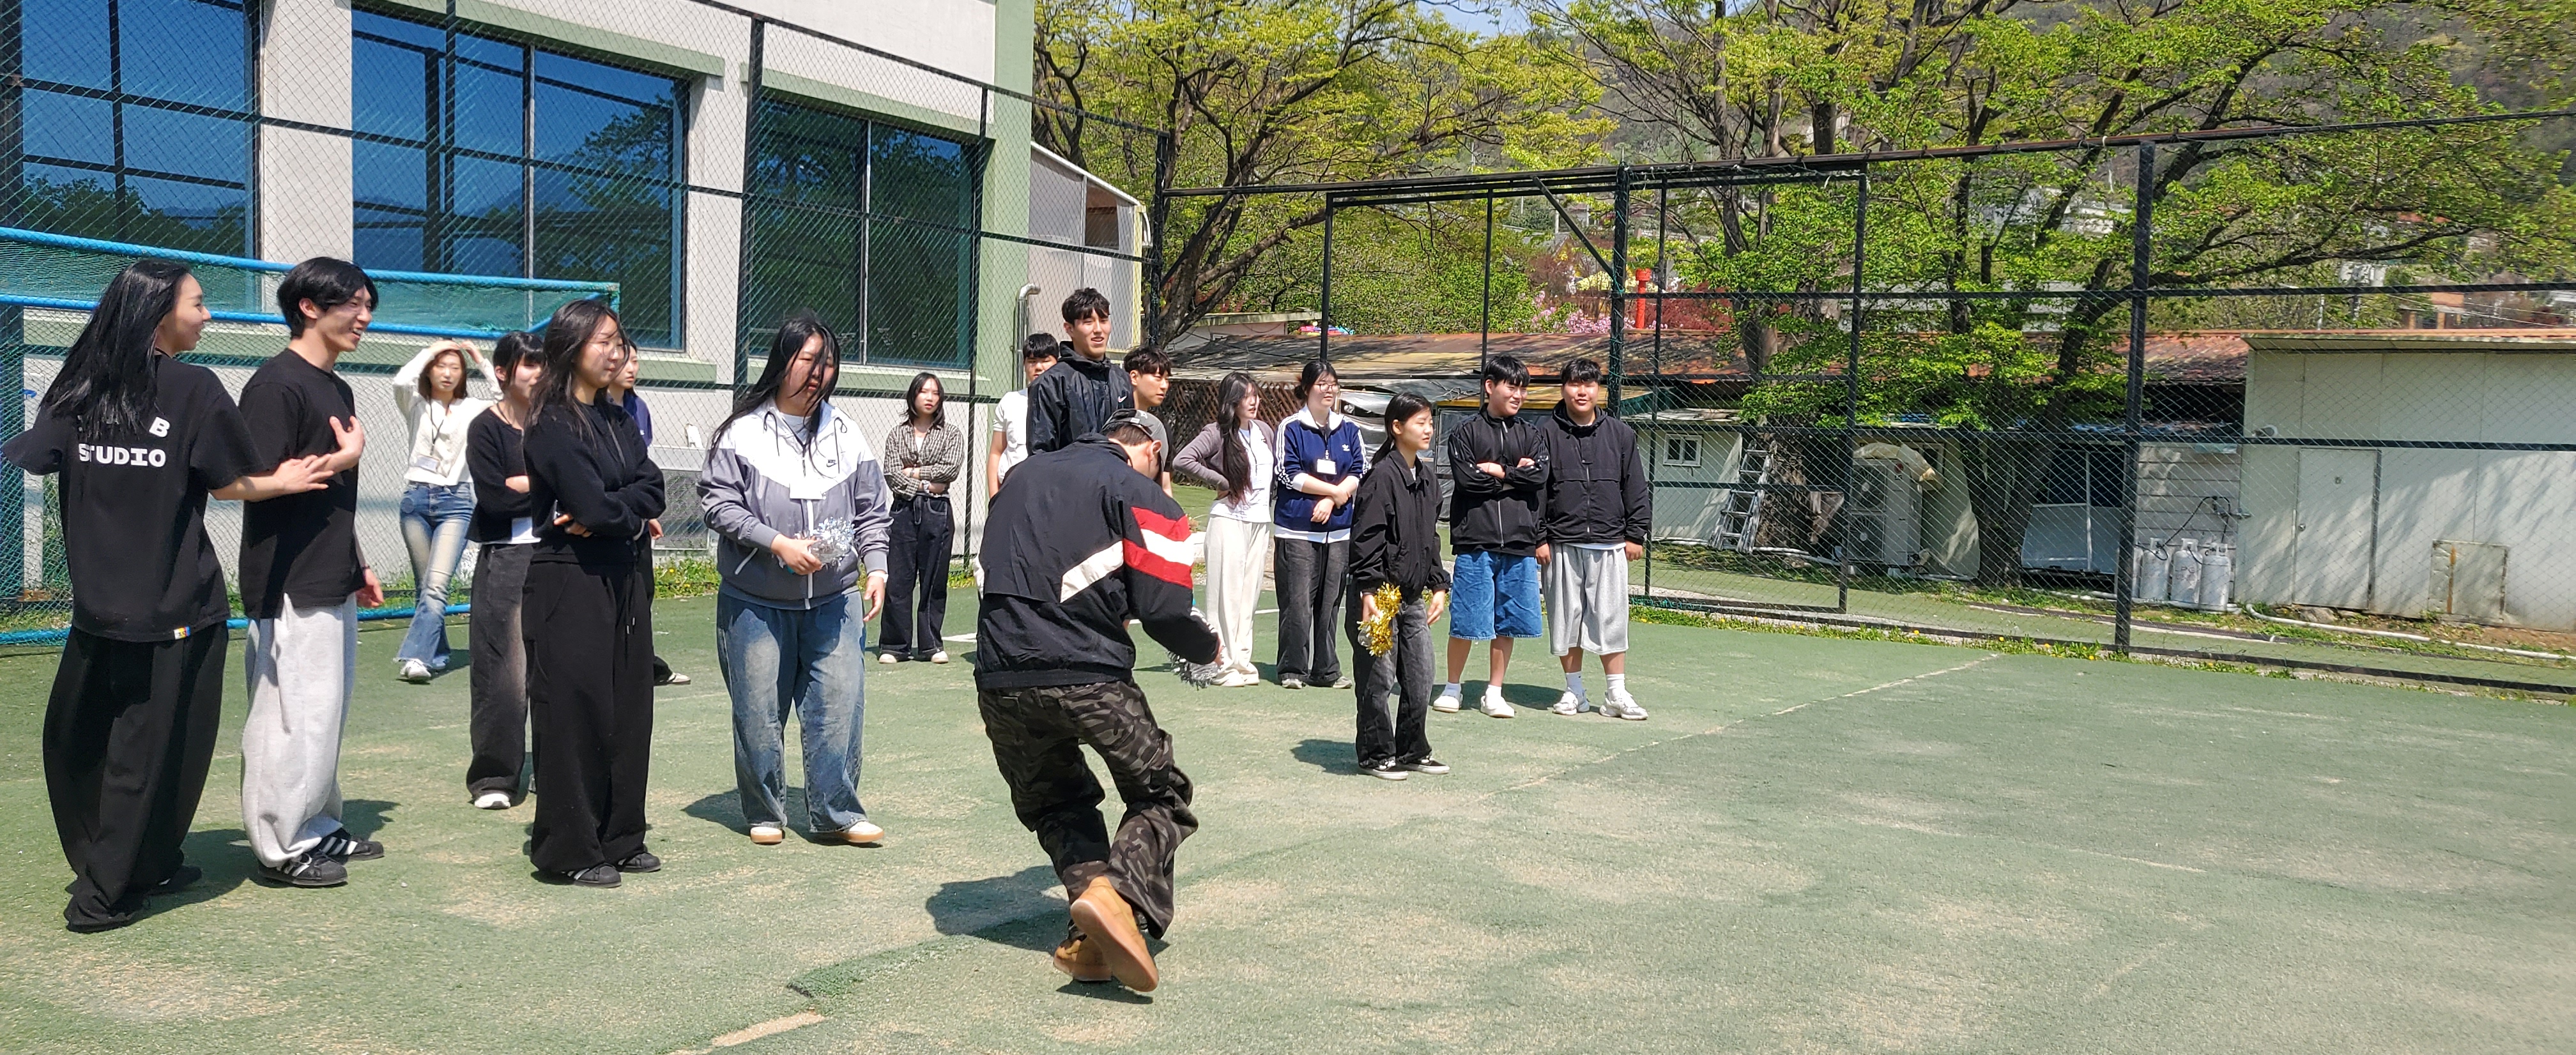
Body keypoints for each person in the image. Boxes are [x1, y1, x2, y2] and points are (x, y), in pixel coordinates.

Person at [4, 261, 337, 930]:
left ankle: (147, 863)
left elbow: (40, 455)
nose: (207, 315)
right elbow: (228, 480)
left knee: (92, 744)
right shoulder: (187, 387)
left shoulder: (81, 386)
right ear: (160, 313)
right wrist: (288, 479)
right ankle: (101, 894)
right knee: (151, 753)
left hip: (105, 611)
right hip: (171, 609)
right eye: (198, 303)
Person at [973, 412, 1220, 992]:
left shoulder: (1022, 475)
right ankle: (1118, 894)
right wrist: (1206, 649)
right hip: (1087, 674)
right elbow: (1163, 610)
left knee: (1057, 802)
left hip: (998, 675)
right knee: (1163, 794)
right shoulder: (1139, 491)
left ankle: (1090, 944)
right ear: (1152, 451)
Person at [703, 314, 893, 847]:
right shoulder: (742, 432)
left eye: (827, 363)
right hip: (755, 600)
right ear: (782, 361)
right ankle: (765, 811)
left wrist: (877, 566)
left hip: (835, 597)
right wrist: (776, 543)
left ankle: (837, 813)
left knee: (839, 705)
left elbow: (872, 510)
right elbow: (718, 504)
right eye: (808, 360)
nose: (818, 373)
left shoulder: (847, 432)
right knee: (758, 713)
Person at [238, 257, 388, 888]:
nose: (365, 316)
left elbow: (327, 497)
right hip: (288, 579)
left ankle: (319, 824)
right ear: (309, 307)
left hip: (329, 571)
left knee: (324, 712)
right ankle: (281, 845)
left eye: (368, 305)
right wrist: (344, 458)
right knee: (289, 716)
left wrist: (358, 562)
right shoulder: (276, 385)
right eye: (353, 303)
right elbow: (253, 481)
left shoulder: (337, 388)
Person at [520, 298, 667, 888]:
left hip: (624, 573)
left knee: (630, 709)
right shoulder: (552, 423)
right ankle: (570, 849)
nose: (615, 352)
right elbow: (589, 504)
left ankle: (621, 838)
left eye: (618, 341)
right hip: (569, 578)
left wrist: (617, 511)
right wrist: (620, 511)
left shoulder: (619, 417)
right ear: (570, 347)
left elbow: (652, 489)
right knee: (573, 713)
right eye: (603, 341)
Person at [1345, 393, 1451, 780]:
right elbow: (1366, 539)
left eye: (1430, 422)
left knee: (1421, 677)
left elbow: (1430, 540)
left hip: (1411, 598)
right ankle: (1376, 754)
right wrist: (1368, 591)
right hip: (1378, 597)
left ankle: (1412, 749)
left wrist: (1438, 584)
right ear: (1396, 427)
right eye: (1420, 422)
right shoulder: (1381, 478)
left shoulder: (1427, 479)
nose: (1429, 429)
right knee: (1377, 678)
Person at [1539, 358, 1652, 720]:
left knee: (1611, 619)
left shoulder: (1621, 434)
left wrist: (1635, 534)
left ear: (1598, 389)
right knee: (1566, 620)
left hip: (1610, 543)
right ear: (1563, 389)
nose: (1581, 391)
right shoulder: (1545, 434)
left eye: (1588, 384)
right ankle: (1574, 692)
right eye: (1574, 384)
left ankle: (1616, 694)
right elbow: (1537, 491)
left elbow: (1635, 486)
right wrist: (1539, 538)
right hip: (1561, 543)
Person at [1441, 354, 1549, 718]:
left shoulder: (1532, 434)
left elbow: (1539, 478)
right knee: (1467, 618)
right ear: (1490, 387)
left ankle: (1494, 692)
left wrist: (1499, 472)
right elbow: (1467, 481)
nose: (1518, 395)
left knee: (1508, 621)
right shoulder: (1465, 432)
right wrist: (1516, 476)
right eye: (1511, 387)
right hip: (1475, 541)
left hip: (1519, 543)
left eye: (1523, 389)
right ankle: (1452, 688)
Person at [463, 331, 544, 809]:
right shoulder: (486, 428)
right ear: (502, 372)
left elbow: (582, 485)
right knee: (504, 674)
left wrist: (526, 483)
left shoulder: (558, 423)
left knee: (556, 669)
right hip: (506, 559)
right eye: (529, 365)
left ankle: (555, 771)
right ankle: (494, 777)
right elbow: (493, 499)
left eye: (544, 364)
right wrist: (548, 486)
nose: (539, 374)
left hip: (557, 555)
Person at [389, 338, 494, 683]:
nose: (448, 373)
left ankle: (417, 657)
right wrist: (432, 350)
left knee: (436, 585)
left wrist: (479, 358)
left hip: (457, 503)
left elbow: (504, 398)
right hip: (415, 501)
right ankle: (437, 653)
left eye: (455, 368)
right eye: (441, 366)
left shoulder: (473, 408)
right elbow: (401, 381)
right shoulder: (416, 404)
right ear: (430, 371)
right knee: (426, 586)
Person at [1172, 372, 1273, 688]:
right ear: (1232, 401)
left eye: (1255, 395)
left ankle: (1242, 662)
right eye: (1246, 396)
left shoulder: (1264, 431)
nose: (1253, 402)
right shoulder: (1216, 432)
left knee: (1249, 597)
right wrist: (1221, 482)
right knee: (1225, 597)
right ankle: (1221, 664)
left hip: (1260, 522)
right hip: (1228, 519)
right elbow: (1183, 460)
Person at [1270, 359, 1366, 690]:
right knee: (1297, 602)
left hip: (1339, 531)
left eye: (1333, 384)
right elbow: (1287, 473)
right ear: (1307, 388)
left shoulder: (1349, 429)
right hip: (1296, 530)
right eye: (1322, 384)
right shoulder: (1291, 427)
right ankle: (1292, 668)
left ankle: (1326, 670)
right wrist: (1331, 492)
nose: (1329, 390)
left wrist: (1334, 499)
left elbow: (1359, 469)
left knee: (1330, 604)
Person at [607, 349, 690, 687]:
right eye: (624, 361)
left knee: (644, 590)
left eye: (635, 361)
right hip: (607, 519)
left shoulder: (638, 407)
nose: (632, 369)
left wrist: (645, 511)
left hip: (635, 516)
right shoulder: (588, 410)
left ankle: (642, 665)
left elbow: (642, 467)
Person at [879, 372, 964, 664]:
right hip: (903, 510)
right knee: (898, 579)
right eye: (924, 392)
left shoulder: (951, 434)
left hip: (937, 511)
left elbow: (950, 470)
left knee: (934, 580)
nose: (930, 398)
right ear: (913, 396)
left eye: (935, 393)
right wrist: (928, 485)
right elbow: (892, 474)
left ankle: (931, 646)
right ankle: (895, 646)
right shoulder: (897, 434)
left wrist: (914, 472)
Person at [1023, 288, 1131, 455]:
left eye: (1103, 320)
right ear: (1069, 329)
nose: (1098, 329)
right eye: (1088, 322)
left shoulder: (1122, 380)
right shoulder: (1050, 384)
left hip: (1115, 472)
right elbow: (1040, 454)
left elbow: (1131, 443)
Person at [986, 334, 1059, 497]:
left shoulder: (1065, 402)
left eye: (1045, 360)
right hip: (1012, 491)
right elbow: (996, 452)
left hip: (1051, 493)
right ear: (1025, 365)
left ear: (1057, 363)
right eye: (1032, 361)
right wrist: (994, 499)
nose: (1038, 367)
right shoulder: (1010, 401)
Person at [1124, 346, 1174, 496]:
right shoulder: (1114, 423)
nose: (1164, 386)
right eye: (1158, 377)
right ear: (1134, 377)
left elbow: (1165, 486)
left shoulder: (1160, 428)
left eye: (1167, 379)